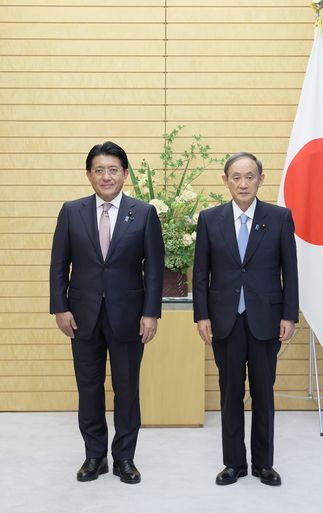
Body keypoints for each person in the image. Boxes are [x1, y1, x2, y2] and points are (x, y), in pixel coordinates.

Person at [50, 141, 164, 483]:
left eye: (113, 169)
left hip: (129, 317)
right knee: (89, 387)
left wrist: (150, 313)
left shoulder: (143, 213)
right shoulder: (71, 211)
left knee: (127, 389)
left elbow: (155, 270)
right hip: (81, 316)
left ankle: (124, 459)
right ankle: (94, 456)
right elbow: (59, 265)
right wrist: (60, 307)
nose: (106, 176)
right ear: (89, 175)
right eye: (99, 170)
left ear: (125, 174)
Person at [193, 152, 298, 487]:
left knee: (264, 394)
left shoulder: (279, 218)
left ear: (260, 179)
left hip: (266, 319)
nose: (243, 183)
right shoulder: (210, 219)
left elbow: (290, 272)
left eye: (249, 176)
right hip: (225, 319)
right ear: (225, 180)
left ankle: (263, 464)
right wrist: (202, 315)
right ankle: (234, 464)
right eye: (236, 177)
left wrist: (289, 315)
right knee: (229, 394)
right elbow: (200, 274)